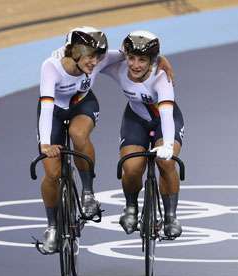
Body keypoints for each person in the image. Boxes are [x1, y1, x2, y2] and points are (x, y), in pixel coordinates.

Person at [38, 26, 175, 253]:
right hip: (53, 111)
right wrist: (45, 143)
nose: (95, 63)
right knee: (52, 174)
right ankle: (52, 227)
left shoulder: (100, 60)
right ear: (74, 52)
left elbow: (134, 54)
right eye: (89, 56)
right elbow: (45, 107)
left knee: (77, 134)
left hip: (83, 104)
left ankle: (88, 194)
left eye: (97, 56)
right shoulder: (51, 67)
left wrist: (162, 59)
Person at [101, 30, 185, 238]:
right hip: (135, 119)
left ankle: (171, 216)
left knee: (166, 163)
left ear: (152, 60)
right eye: (131, 58)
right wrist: (61, 54)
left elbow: (166, 113)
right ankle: (130, 208)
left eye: (142, 60)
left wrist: (166, 146)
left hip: (165, 120)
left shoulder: (161, 77)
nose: (136, 65)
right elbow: (91, 58)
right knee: (130, 167)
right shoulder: (118, 67)